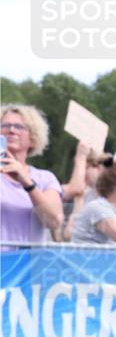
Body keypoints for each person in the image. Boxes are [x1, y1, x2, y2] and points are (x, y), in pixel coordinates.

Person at [0, 104, 64, 244]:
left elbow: (53, 222)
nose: (11, 130)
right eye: (5, 125)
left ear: (33, 138)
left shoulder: (45, 178)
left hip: (28, 264)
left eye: (19, 127)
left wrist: (27, 183)